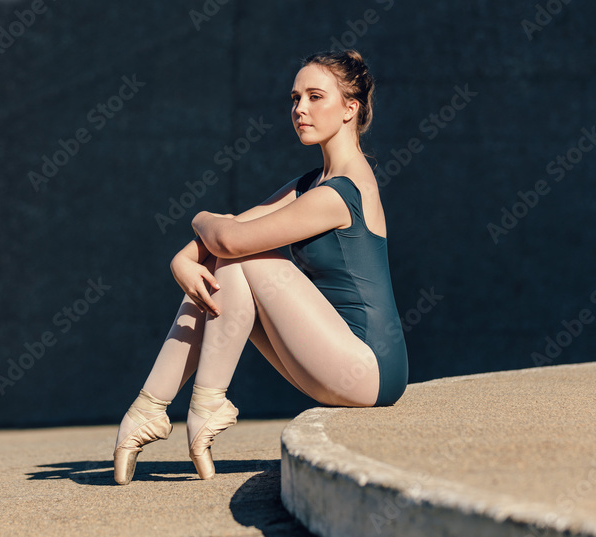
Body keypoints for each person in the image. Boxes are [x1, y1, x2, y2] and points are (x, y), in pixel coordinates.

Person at [113, 49, 408, 485]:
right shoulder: (311, 184)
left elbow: (230, 238)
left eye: (314, 97)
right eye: (295, 98)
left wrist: (198, 218)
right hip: (328, 358)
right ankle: (149, 410)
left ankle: (196, 404)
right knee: (229, 265)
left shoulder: (341, 192)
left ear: (350, 108)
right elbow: (232, 230)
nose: (300, 109)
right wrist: (183, 259)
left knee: (240, 256)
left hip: (369, 368)